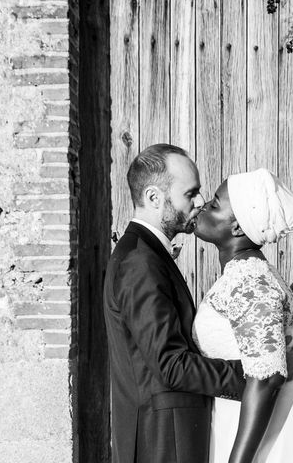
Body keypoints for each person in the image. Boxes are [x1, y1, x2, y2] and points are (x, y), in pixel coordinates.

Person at [192, 168, 293, 463]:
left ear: (237, 226)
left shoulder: (250, 278)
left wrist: (238, 460)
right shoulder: (245, 272)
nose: (203, 207)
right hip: (257, 422)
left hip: (277, 432)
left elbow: (267, 377)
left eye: (214, 204)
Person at [103, 144, 246, 463]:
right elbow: (170, 363)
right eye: (190, 193)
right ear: (154, 198)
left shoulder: (145, 254)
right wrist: (248, 377)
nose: (200, 203)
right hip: (164, 443)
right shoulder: (141, 262)